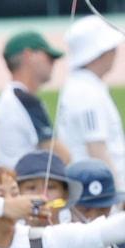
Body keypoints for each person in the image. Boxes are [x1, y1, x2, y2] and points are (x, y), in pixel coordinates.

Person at [59, 15, 125, 184]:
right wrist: (118, 194)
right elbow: (97, 149)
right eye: (111, 48)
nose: (115, 53)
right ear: (98, 54)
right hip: (99, 193)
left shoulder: (82, 87)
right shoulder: (86, 93)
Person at [0, 30, 69, 169]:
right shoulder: (25, 100)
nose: (53, 63)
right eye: (49, 57)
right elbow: (61, 156)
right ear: (28, 55)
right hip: (27, 186)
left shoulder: (10, 98)